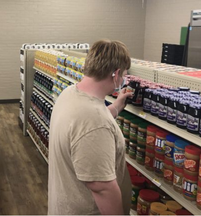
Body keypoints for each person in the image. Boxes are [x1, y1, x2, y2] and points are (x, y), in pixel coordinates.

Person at [48, 39, 133, 215]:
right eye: (123, 75)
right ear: (116, 74)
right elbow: (102, 188)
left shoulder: (70, 93)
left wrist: (117, 106)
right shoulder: (94, 122)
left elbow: (85, 127)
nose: (123, 79)